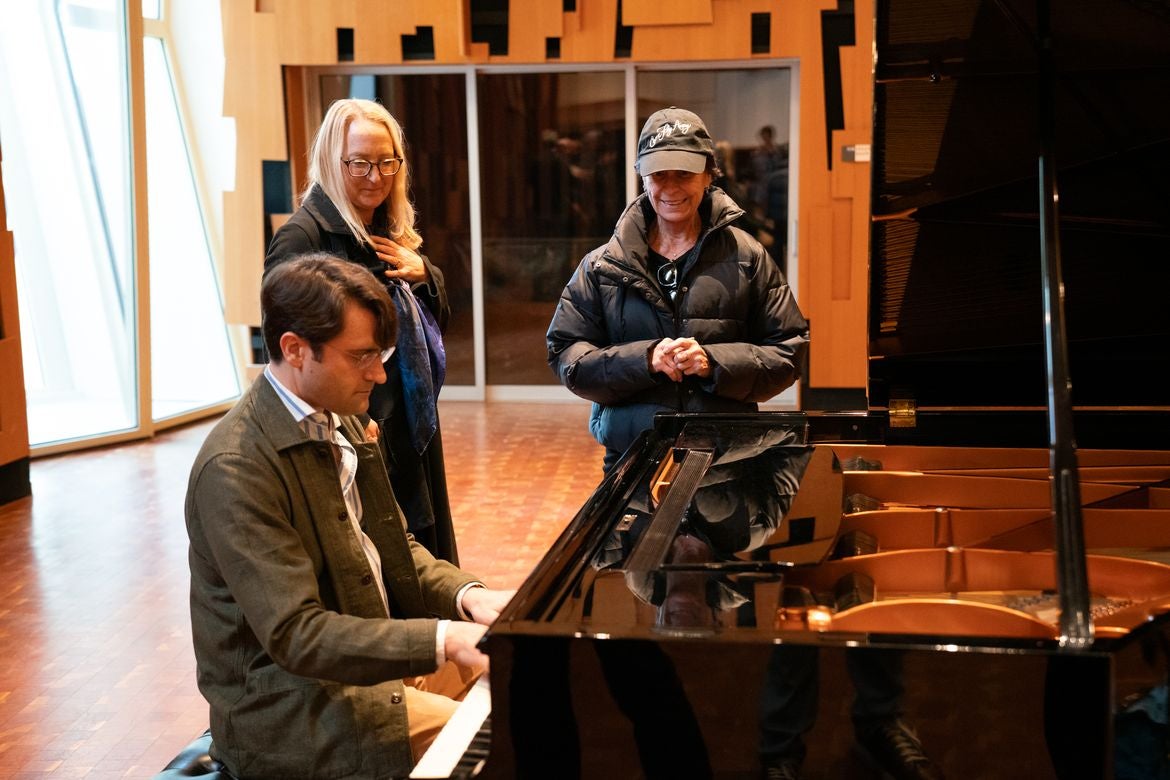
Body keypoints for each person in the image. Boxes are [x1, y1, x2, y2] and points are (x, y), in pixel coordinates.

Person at [185, 255, 512, 779]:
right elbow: (296, 634)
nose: (379, 373)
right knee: (503, 745)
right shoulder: (237, 469)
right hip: (292, 711)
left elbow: (393, 545)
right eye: (361, 356)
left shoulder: (343, 420)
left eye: (379, 353)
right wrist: (444, 638)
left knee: (530, 679)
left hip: (368, 672)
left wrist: (468, 597)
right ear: (294, 349)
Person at [546, 106, 810, 472]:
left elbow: (788, 352)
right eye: (658, 174)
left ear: (708, 175)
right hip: (631, 461)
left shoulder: (747, 256)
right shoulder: (602, 265)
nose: (670, 187)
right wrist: (645, 360)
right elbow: (566, 353)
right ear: (642, 176)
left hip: (725, 463)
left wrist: (712, 363)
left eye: (684, 173)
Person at [265, 98, 458, 564]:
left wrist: (426, 275)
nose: (376, 177)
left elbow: (435, 327)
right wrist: (347, 424)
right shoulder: (302, 239)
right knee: (377, 563)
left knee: (419, 557)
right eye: (361, 164)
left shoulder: (388, 231)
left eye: (387, 162)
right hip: (353, 432)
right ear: (333, 161)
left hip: (407, 425)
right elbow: (287, 352)